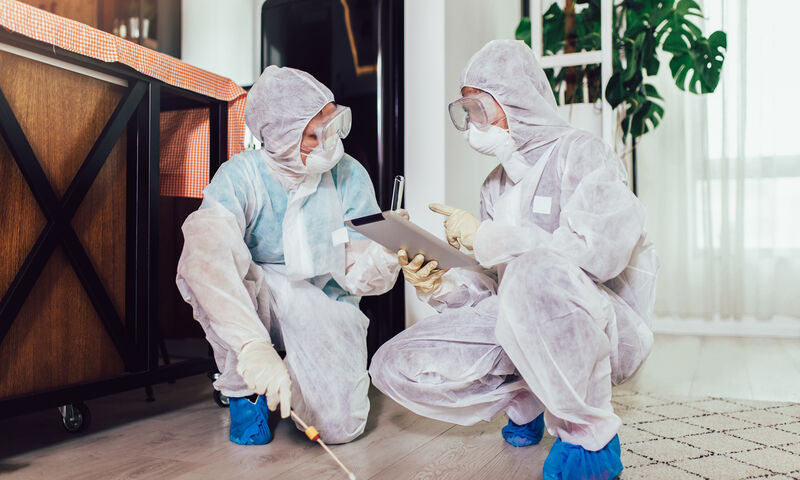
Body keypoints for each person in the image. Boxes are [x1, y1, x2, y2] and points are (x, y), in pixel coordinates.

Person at [369, 39, 658, 479]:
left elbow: (601, 253)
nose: (471, 123)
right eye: (465, 111)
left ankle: (589, 436)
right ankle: (529, 397)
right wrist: (441, 284)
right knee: (393, 364)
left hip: (599, 325)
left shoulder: (580, 153)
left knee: (533, 274)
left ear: (517, 102)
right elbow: (494, 286)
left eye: (479, 109)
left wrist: (489, 237)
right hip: (517, 324)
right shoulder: (494, 186)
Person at [176, 66, 401, 446]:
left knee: (338, 427)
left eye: (333, 125)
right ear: (279, 138)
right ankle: (246, 390)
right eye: (315, 134)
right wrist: (252, 345)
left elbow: (357, 266)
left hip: (324, 297)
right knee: (218, 259)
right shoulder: (242, 176)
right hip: (257, 297)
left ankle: (293, 377)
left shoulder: (348, 174)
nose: (330, 141)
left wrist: (385, 255)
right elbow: (207, 257)